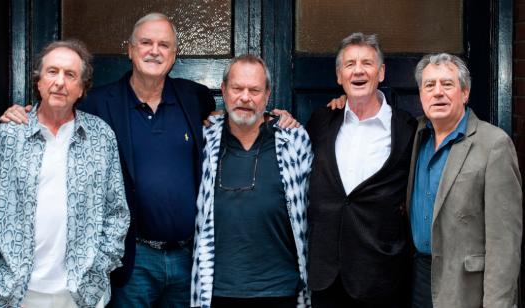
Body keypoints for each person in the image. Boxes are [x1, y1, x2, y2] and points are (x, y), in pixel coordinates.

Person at [0, 13, 298, 307]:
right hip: (134, 260)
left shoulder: (193, 97)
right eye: (146, 42)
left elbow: (237, 114)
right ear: (130, 49)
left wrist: (277, 116)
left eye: (164, 45)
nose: (154, 51)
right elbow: (57, 111)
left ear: (174, 54)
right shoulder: (97, 104)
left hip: (186, 258)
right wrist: (26, 115)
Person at [0, 40, 130, 308]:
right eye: (52, 72)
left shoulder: (101, 136)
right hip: (17, 291)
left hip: (80, 291)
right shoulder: (8, 137)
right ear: (38, 81)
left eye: (70, 75)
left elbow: (116, 211)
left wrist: (97, 271)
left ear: (82, 88)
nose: (60, 82)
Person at [191, 54, 312, 308]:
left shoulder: (294, 140)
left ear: (267, 95)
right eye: (237, 88)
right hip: (217, 292)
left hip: (280, 292)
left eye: (254, 90)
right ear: (224, 91)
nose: (245, 97)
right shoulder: (204, 139)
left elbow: (316, 206)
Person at [305, 32, 416, 307]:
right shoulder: (322, 121)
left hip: (382, 276)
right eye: (349, 64)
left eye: (367, 63)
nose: (358, 70)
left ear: (381, 73)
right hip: (326, 276)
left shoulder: (407, 129)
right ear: (339, 76)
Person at [408, 53, 522, 308]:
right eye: (429, 85)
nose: (438, 92)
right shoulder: (414, 135)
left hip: (465, 288)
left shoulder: (494, 144)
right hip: (417, 279)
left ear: (465, 92)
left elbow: (504, 244)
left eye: (447, 84)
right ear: (420, 95)